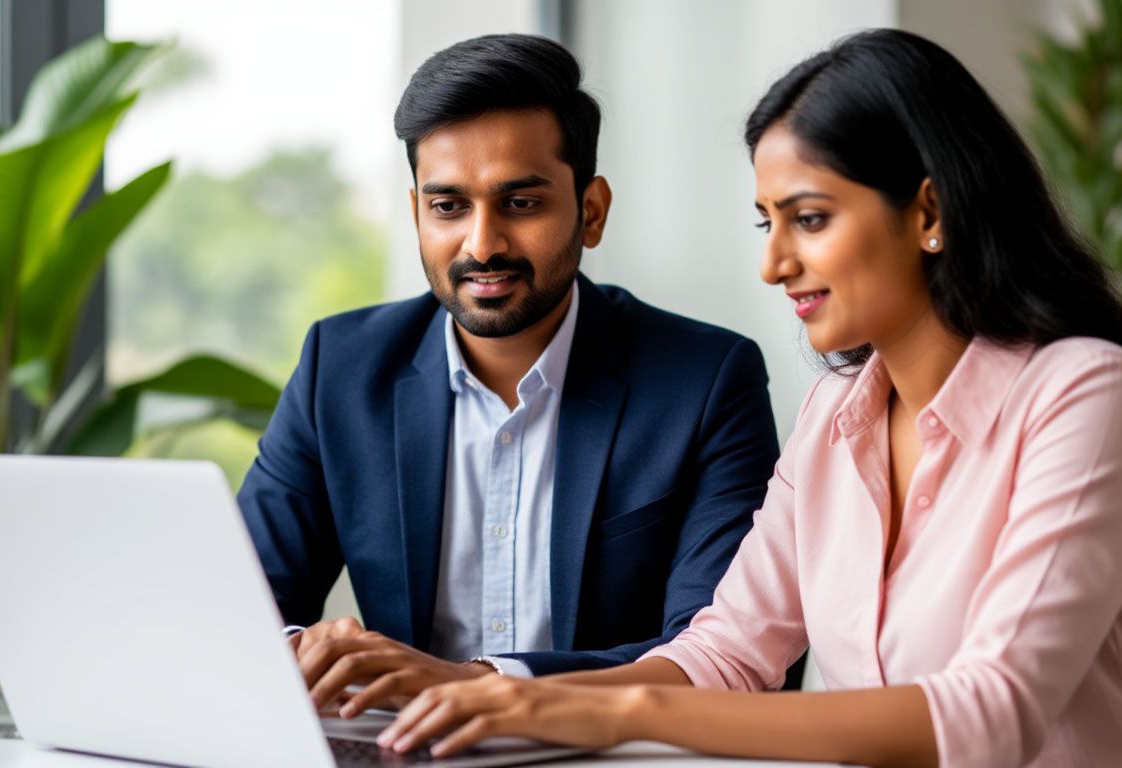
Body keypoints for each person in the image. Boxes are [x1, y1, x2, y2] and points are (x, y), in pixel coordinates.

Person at [371, 29, 1122, 767]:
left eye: (808, 219)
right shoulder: (835, 415)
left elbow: (993, 712)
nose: (774, 263)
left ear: (929, 211)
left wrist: (603, 710)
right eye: (765, 222)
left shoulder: (1086, 394)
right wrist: (499, 698)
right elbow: (727, 652)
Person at [235, 33, 780, 712]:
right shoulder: (340, 370)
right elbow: (241, 601)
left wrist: (483, 686)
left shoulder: (704, 381)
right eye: (448, 206)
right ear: (416, 215)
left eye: (521, 204)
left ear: (591, 211)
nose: (482, 243)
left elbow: (727, 656)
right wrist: (297, 653)